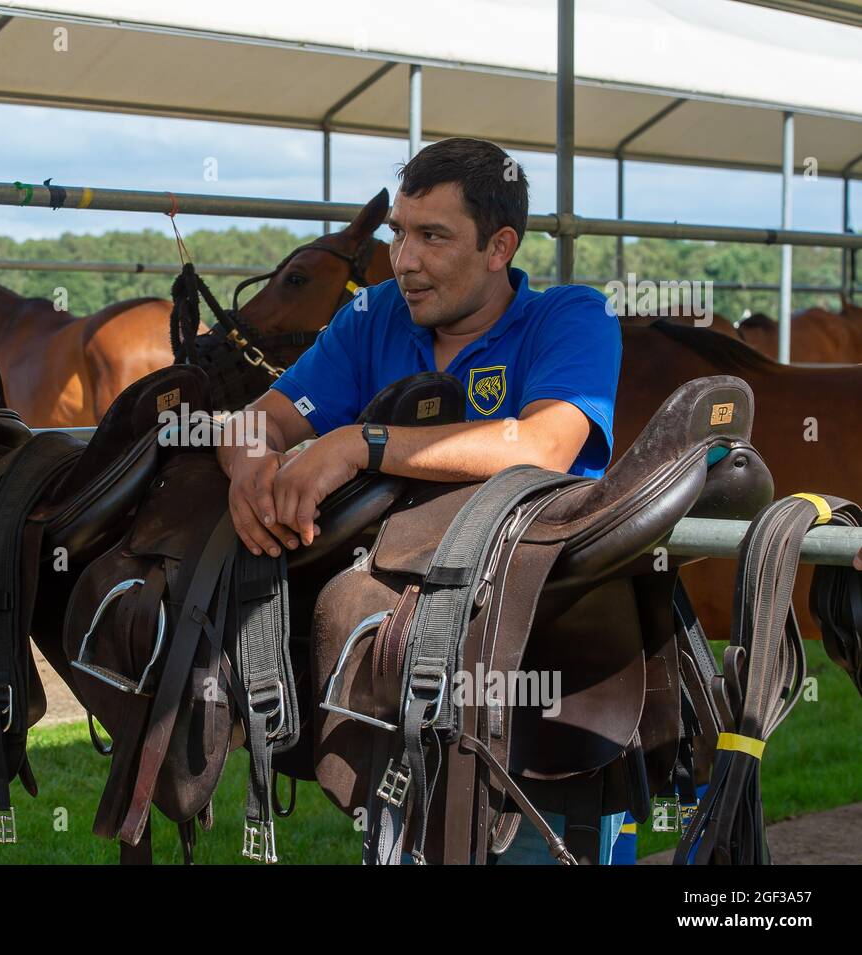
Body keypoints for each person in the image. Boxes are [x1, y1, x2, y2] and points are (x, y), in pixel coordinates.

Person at [216, 137, 624, 864]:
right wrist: (249, 467)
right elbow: (262, 416)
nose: (404, 259)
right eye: (400, 232)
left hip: (536, 670)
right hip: (397, 667)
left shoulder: (571, 318)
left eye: (433, 236)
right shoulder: (374, 316)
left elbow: (542, 446)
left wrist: (357, 442)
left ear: (500, 246)